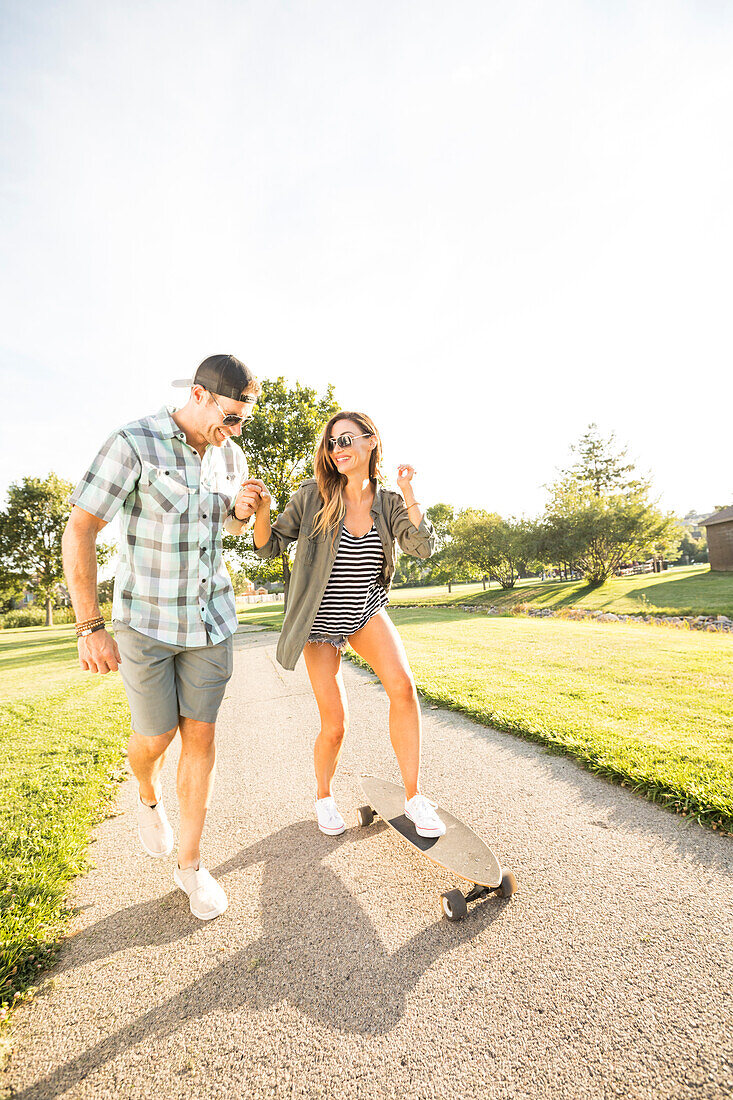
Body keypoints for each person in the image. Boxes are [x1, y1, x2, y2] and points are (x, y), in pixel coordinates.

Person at [62, 354, 260, 920]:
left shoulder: (228, 452)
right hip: (145, 625)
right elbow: (80, 529)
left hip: (210, 623)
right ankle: (147, 796)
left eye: (244, 419)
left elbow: (220, 528)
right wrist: (89, 626)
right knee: (156, 736)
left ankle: (192, 867)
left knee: (200, 739)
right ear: (198, 394)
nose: (237, 430)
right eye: (231, 415)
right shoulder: (133, 441)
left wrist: (241, 514)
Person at [242, 411, 446, 839]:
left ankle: (414, 797)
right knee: (335, 723)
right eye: (332, 443)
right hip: (318, 622)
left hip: (366, 610)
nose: (338, 449)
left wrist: (409, 491)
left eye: (348, 440)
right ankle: (323, 796)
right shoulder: (312, 497)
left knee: (404, 688)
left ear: (371, 442)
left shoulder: (389, 503)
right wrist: (261, 510)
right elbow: (267, 547)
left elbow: (423, 547)